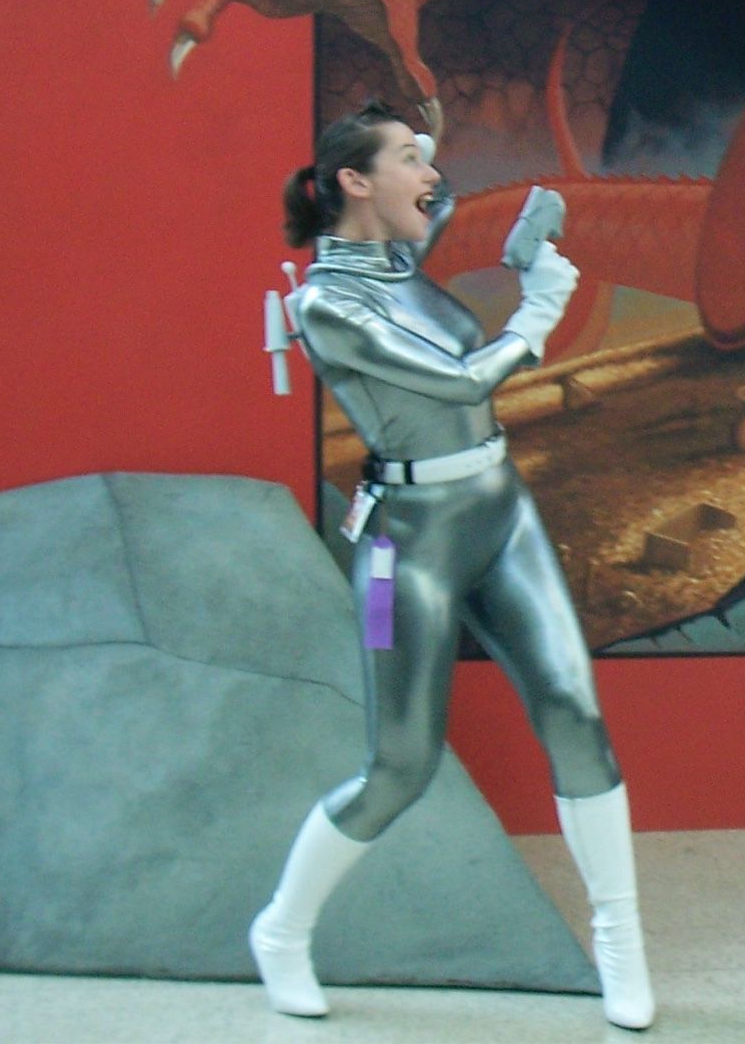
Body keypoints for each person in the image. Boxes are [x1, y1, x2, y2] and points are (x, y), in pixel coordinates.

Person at [251, 100, 654, 1030]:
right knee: (400, 764)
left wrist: (526, 246)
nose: (432, 176)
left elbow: (447, 211)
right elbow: (462, 381)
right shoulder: (327, 304)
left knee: (575, 711)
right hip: (406, 548)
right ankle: (281, 929)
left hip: (498, 510)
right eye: (408, 159)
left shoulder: (399, 254)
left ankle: (621, 940)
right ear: (354, 180)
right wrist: (541, 308)